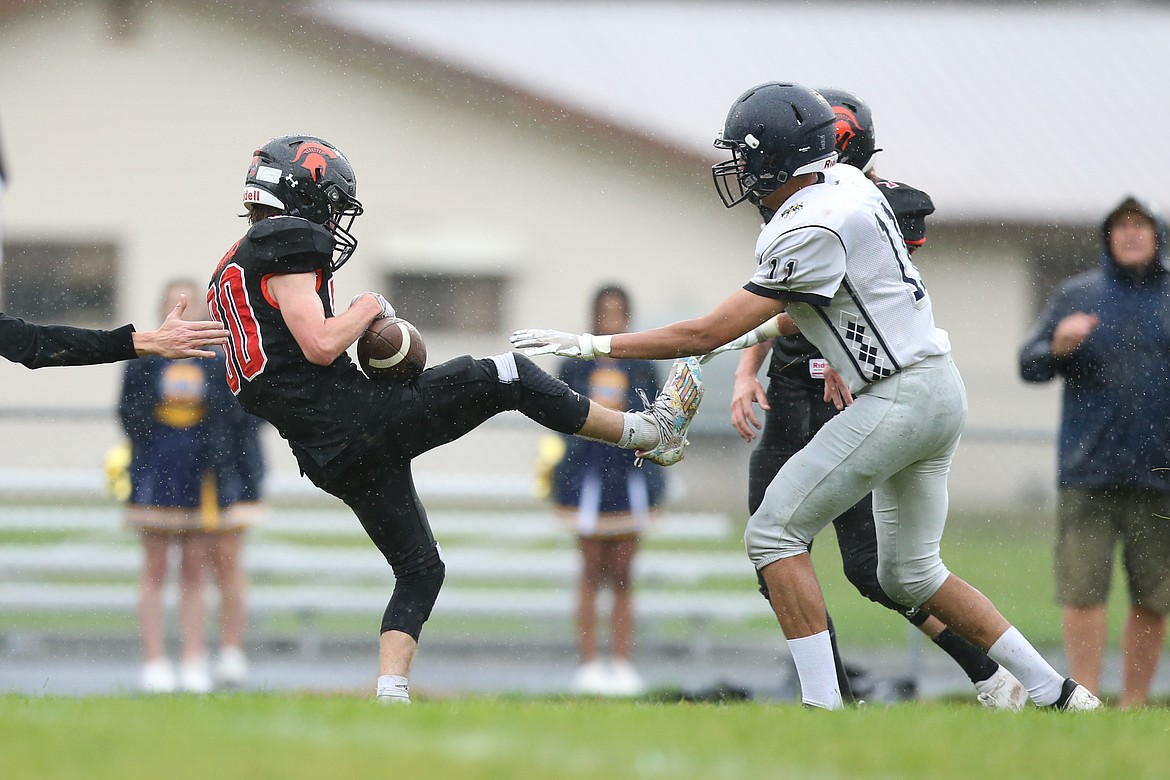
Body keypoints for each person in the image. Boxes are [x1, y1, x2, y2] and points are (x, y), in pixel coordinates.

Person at [512, 81, 1098, 711]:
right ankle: (1057, 693)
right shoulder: (851, 188)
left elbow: (708, 326)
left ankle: (825, 705)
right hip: (936, 388)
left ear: (778, 156)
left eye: (746, 154)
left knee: (772, 535)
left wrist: (595, 344)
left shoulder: (809, 223)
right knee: (910, 574)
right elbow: (802, 312)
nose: (738, 168)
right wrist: (732, 353)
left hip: (896, 397)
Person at [206, 134, 703, 704]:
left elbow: (281, 363)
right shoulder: (287, 240)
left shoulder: (233, 266)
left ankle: (390, 695)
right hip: (359, 420)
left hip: (326, 454)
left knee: (420, 569)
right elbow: (319, 345)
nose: (334, 216)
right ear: (302, 191)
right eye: (331, 199)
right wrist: (368, 307)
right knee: (507, 375)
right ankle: (645, 431)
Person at [714, 87, 1024, 709]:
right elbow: (773, 300)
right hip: (792, 389)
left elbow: (870, 299)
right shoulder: (802, 209)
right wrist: (747, 370)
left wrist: (844, 360)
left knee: (868, 565)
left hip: (858, 394)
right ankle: (828, 690)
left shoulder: (874, 205)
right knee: (772, 550)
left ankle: (985, 673)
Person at [1019, 195, 1170, 708]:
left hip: (1160, 475)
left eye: (1141, 226)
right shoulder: (1077, 295)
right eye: (1121, 226)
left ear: (1157, 235)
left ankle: (1133, 703)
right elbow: (1029, 362)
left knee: (1155, 596)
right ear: (1108, 237)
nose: (1131, 234)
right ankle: (1086, 698)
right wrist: (1058, 347)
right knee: (1083, 591)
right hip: (1087, 471)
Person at [118, 280, 256, 694]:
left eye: (190, 303)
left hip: (203, 474)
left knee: (196, 567)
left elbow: (236, 420)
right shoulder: (143, 361)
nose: (182, 309)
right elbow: (129, 412)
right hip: (157, 470)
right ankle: (155, 661)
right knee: (155, 566)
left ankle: (194, 659)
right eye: (173, 302)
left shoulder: (218, 361)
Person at [551, 284, 666, 696]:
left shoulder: (642, 364)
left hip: (629, 474)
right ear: (595, 317)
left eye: (619, 313)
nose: (611, 319)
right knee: (590, 570)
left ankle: (620, 663)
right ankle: (588, 664)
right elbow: (561, 416)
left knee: (622, 573)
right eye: (605, 312)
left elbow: (658, 418)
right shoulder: (576, 364)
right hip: (586, 475)